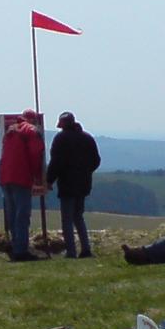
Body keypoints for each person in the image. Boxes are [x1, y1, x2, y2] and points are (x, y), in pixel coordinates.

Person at [46, 111, 101, 258]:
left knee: (67, 219)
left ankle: (71, 251)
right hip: (83, 184)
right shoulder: (87, 138)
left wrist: (49, 180)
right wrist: (86, 172)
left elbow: (56, 163)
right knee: (78, 217)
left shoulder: (61, 139)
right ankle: (86, 249)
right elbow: (96, 161)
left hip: (67, 184)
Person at [0, 109, 46, 262]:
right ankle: (21, 250)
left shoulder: (10, 131)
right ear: (34, 120)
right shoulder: (31, 131)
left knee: (12, 215)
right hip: (21, 177)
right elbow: (36, 154)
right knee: (22, 216)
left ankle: (15, 247)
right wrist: (37, 176)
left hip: (5, 177)